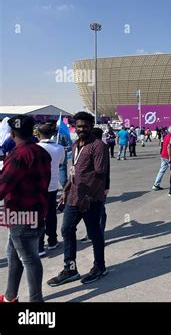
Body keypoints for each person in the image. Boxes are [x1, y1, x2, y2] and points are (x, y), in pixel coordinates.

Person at [47, 112, 109, 286]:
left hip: (91, 199)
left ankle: (100, 267)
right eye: (79, 126)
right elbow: (74, 172)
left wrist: (88, 197)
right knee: (66, 230)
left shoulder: (98, 146)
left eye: (85, 126)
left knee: (94, 233)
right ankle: (71, 268)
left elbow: (100, 175)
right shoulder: (75, 145)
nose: (81, 129)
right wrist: (66, 191)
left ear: (90, 126)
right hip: (74, 197)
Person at [0, 115, 51, 302]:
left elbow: (2, 186)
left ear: (12, 133)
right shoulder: (41, 152)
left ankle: (36, 301)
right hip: (37, 212)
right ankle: (10, 296)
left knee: (29, 259)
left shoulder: (17, 155)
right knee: (13, 254)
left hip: (21, 215)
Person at [37, 123, 66, 256]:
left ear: (38, 134)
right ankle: (53, 240)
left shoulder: (35, 148)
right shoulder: (59, 148)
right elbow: (61, 163)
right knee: (51, 215)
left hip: (38, 187)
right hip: (53, 185)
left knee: (38, 216)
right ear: (53, 134)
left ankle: (39, 245)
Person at [152, 125, 171, 190]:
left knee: (162, 171)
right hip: (168, 156)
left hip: (163, 155)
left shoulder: (166, 135)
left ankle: (156, 184)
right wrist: (170, 157)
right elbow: (170, 147)